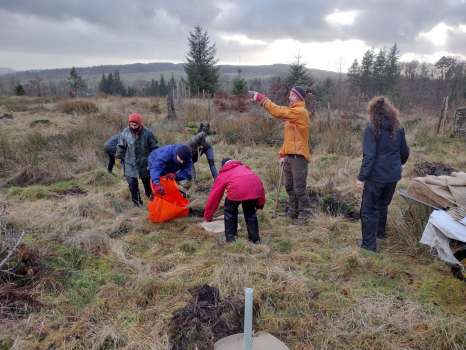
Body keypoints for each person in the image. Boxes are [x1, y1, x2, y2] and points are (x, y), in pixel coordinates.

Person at [249, 86, 311, 224]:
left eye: (292, 95)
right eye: (290, 95)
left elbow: (277, 112)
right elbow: (290, 137)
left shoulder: (300, 112)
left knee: (299, 188)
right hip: (289, 156)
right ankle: (293, 211)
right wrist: (282, 154)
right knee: (289, 186)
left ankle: (305, 214)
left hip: (299, 157)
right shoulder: (293, 113)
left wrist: (262, 99)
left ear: (299, 98)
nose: (289, 97)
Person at [357, 96, 410, 252]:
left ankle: (368, 245)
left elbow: (369, 155)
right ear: (390, 112)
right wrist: (396, 165)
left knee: (369, 209)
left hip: (376, 177)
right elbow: (405, 152)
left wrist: (361, 177)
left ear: (373, 112)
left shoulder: (371, 128)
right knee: (382, 205)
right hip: (393, 176)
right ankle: (380, 234)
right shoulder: (398, 128)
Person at [204, 158, 266, 244]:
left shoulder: (224, 173)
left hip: (237, 192)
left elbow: (214, 196)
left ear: (224, 165)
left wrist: (208, 216)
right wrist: (260, 203)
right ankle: (255, 239)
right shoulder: (245, 168)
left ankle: (231, 239)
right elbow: (259, 185)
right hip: (253, 192)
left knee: (230, 212)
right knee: (250, 213)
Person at [115, 113, 158, 207]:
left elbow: (154, 148)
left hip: (145, 164)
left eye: (135, 125)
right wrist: (118, 158)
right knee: (132, 185)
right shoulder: (125, 132)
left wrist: (154, 160)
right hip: (130, 163)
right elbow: (121, 146)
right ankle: (137, 203)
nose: (133, 127)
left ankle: (154, 201)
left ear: (140, 124)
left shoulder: (148, 133)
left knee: (148, 185)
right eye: (131, 124)